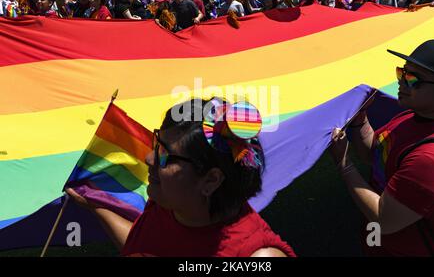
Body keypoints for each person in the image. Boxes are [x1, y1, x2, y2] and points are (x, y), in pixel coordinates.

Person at [66, 98, 296, 257]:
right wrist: (98, 206)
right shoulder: (170, 203)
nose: (148, 158)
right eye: (157, 146)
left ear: (210, 180)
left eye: (165, 155)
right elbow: (146, 244)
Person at [330, 39, 434, 256]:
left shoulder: (433, 159)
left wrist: (344, 164)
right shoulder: (413, 116)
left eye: (414, 79)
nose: (402, 82)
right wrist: (360, 119)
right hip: (378, 245)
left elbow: (384, 219)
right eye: (402, 73)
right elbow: (375, 155)